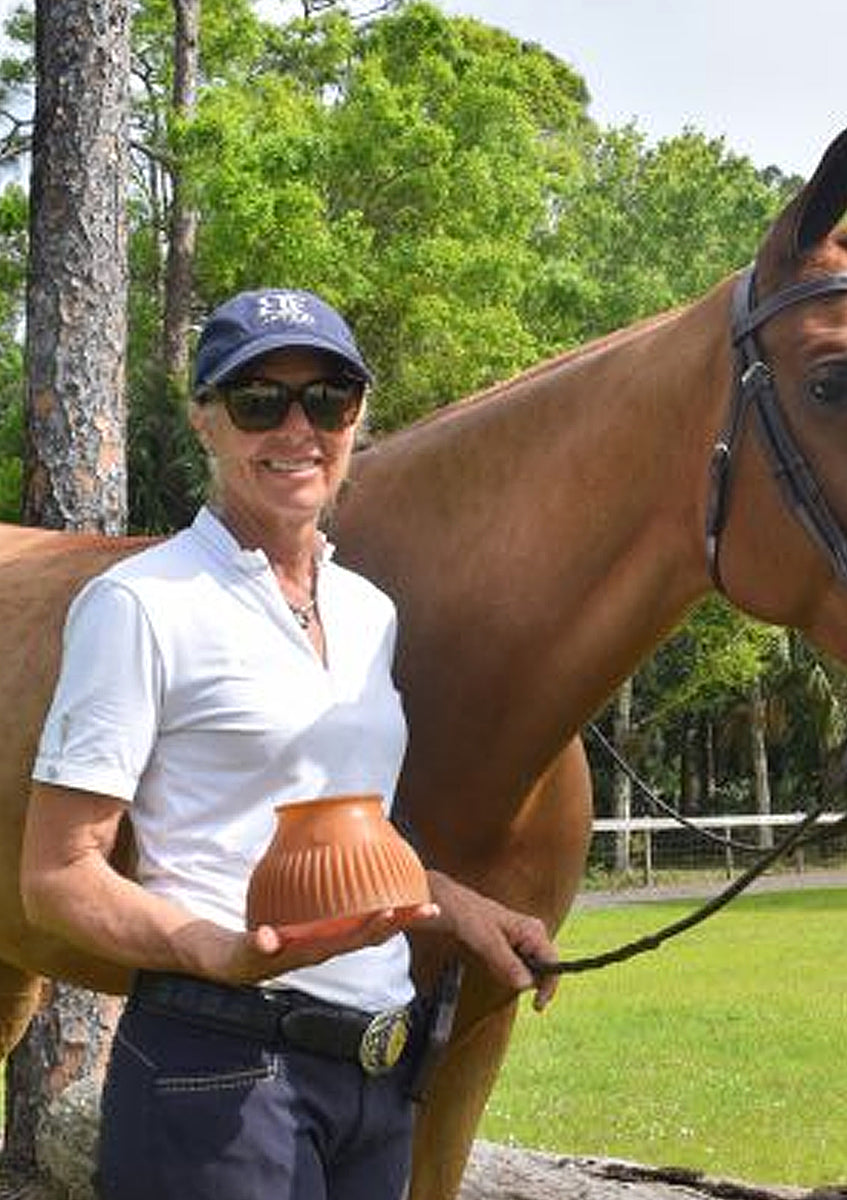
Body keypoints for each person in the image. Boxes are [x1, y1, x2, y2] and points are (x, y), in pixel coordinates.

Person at [19, 288, 558, 1200]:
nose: (297, 429)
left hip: (373, 1077)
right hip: (217, 1073)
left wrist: (451, 902)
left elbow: (334, 839)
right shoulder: (140, 605)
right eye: (258, 401)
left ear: (357, 417)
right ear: (205, 421)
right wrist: (215, 950)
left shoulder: (368, 612)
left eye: (328, 399)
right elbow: (56, 875)